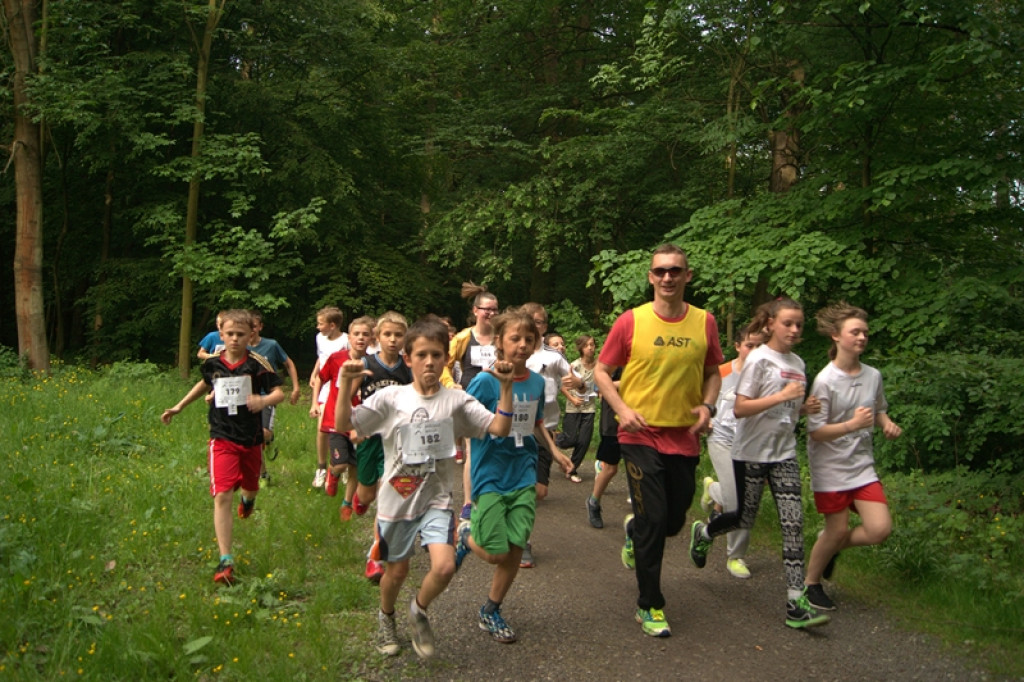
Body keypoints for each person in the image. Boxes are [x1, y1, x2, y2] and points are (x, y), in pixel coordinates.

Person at [334, 317, 517, 660]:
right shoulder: (392, 398)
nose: (429, 362)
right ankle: (386, 617)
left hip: (437, 498)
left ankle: (419, 610)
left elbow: (499, 428)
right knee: (397, 571)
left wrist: (506, 389)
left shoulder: (456, 401)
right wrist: (346, 387)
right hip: (397, 500)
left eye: (436, 354)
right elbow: (345, 424)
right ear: (408, 358)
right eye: (421, 355)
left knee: (445, 567)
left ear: (446, 358)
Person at [593, 244, 723, 638]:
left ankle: (635, 534)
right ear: (650, 277)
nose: (668, 277)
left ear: (688, 276)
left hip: (684, 437)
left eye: (675, 271)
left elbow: (713, 372)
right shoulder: (631, 321)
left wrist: (707, 406)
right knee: (653, 521)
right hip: (639, 435)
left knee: (673, 520)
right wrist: (621, 408)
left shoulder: (705, 322)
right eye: (660, 271)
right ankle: (649, 605)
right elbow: (601, 371)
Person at [689, 297, 830, 629]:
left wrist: (802, 409)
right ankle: (706, 531)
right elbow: (740, 408)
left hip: (783, 454)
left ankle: (796, 601)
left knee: (793, 524)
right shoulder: (758, 360)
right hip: (750, 452)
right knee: (743, 518)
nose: (795, 330)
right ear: (770, 325)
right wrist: (782, 397)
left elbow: (787, 413)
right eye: (788, 323)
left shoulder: (798, 363)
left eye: (799, 324)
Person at [455, 308, 568, 643]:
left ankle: (491, 610)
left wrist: (555, 449)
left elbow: (534, 422)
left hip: (523, 469)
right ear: (500, 343)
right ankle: (465, 535)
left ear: (536, 344)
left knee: (516, 547)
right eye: (514, 338)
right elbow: (466, 419)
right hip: (490, 471)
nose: (522, 344)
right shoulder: (485, 381)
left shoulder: (535, 381)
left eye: (528, 339)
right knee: (495, 552)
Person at [161, 309, 285, 585]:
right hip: (222, 437)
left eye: (241, 335)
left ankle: (249, 500)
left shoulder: (258, 363)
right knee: (222, 495)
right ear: (221, 335)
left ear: (251, 335)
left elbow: (279, 391)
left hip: (251, 439)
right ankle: (225, 559)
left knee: (250, 488)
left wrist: (263, 401)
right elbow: (203, 384)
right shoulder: (213, 363)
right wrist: (179, 406)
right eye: (230, 334)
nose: (235, 339)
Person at [803, 303, 901, 611]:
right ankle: (811, 584)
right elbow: (816, 432)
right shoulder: (825, 381)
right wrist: (852, 425)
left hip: (862, 466)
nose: (861, 337)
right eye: (855, 332)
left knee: (880, 529)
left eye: (865, 333)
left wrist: (885, 423)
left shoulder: (873, 375)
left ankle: (829, 546)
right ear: (836, 336)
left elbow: (879, 409)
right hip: (830, 466)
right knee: (838, 529)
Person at [347, 311, 414, 581]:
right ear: (378, 337)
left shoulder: (407, 369)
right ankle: (358, 499)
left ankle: (375, 557)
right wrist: (354, 428)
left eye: (398, 335)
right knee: (367, 495)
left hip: (396, 439)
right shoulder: (365, 364)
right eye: (388, 334)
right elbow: (349, 397)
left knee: (388, 495)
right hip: (369, 436)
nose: (393, 340)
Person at [699, 327, 764, 579]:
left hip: (752, 443)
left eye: (760, 346)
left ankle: (712, 489)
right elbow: (702, 396)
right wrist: (706, 418)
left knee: (748, 500)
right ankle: (735, 556)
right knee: (739, 499)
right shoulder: (722, 372)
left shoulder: (766, 376)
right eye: (750, 345)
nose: (755, 351)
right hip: (722, 439)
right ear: (738, 346)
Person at [521, 303, 577, 567]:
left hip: (546, 428)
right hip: (515, 431)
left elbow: (578, 380)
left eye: (540, 322)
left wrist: (579, 384)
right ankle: (523, 541)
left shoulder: (554, 356)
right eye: (530, 321)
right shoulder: (511, 350)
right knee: (522, 485)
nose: (535, 325)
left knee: (540, 491)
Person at [443, 283, 499, 525]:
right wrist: (450, 384)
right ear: (476, 311)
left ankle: (492, 496)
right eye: (487, 310)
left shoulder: (502, 337)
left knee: (497, 448)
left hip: (498, 397)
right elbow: (444, 362)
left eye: (495, 310)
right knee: (472, 450)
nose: (491, 314)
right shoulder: (464, 337)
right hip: (470, 398)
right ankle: (468, 502)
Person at [320, 316, 374, 519]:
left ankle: (346, 503)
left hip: (359, 423)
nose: (360, 338)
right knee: (341, 464)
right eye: (356, 334)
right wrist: (316, 403)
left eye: (365, 334)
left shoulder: (372, 364)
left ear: (371, 338)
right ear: (349, 337)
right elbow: (322, 377)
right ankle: (332, 474)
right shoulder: (336, 358)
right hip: (336, 420)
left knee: (355, 467)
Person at [247, 310, 302, 482]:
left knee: (263, 434)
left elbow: (288, 363)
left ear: (260, 327)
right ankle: (262, 474)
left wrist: (296, 387)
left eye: (254, 326)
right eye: (248, 327)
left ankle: (269, 439)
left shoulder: (271, 345)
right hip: (247, 398)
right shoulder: (240, 347)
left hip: (267, 396)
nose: (252, 330)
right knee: (253, 437)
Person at [309, 307, 349, 488]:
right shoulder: (320, 338)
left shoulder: (347, 340)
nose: (318, 327)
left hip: (341, 386)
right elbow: (321, 358)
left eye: (320, 323)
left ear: (332, 325)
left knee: (343, 425)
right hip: (324, 385)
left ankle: (346, 463)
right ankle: (321, 467)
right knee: (322, 427)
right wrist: (314, 373)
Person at [557, 335, 598, 483]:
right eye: (587, 345)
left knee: (584, 440)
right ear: (581, 348)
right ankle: (553, 439)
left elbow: (600, 381)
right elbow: (563, 385)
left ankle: (571, 469)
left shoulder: (598, 366)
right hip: (573, 406)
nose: (590, 348)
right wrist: (572, 398)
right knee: (570, 439)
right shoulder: (574, 366)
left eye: (592, 345)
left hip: (589, 407)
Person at [585, 366, 621, 529]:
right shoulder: (616, 355)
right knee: (611, 468)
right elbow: (598, 385)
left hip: (640, 415)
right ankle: (594, 501)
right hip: (613, 419)